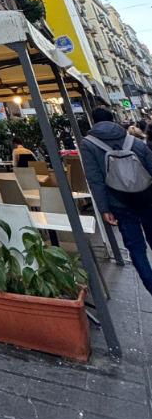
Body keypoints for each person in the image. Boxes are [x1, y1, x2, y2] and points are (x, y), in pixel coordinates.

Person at [81, 107, 152, 297]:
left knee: (136, 249)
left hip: (118, 202)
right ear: (113, 119)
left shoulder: (88, 144)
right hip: (146, 197)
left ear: (92, 120)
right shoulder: (133, 140)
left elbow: (95, 179)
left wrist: (104, 208)